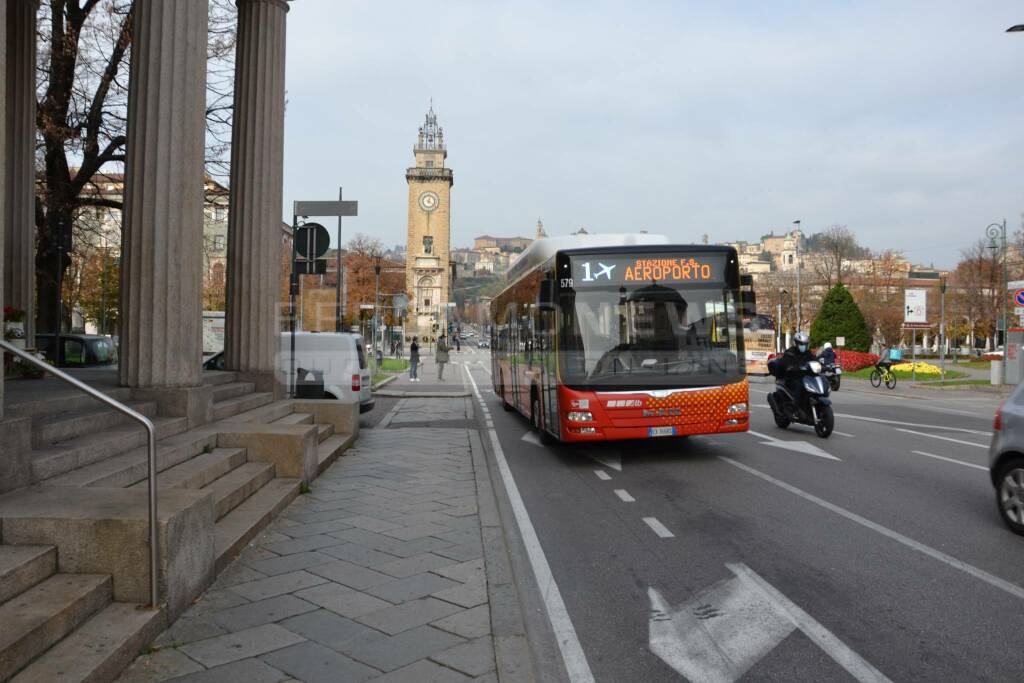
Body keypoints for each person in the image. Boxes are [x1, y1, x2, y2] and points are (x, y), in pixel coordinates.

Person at [778, 331, 814, 415]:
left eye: (805, 344)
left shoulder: (808, 353)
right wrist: (791, 367)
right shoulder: (790, 352)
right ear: (796, 343)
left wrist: (822, 366)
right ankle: (795, 407)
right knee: (800, 385)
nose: (803, 346)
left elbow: (815, 360)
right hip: (793, 377)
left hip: (806, 377)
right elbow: (785, 362)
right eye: (801, 344)